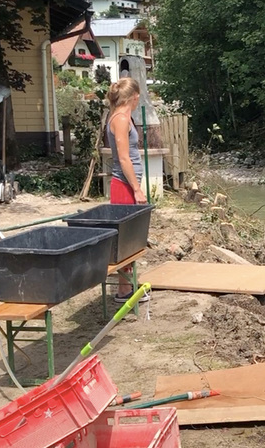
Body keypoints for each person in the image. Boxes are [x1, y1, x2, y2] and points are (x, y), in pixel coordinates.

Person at [106, 77, 148, 303]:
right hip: (123, 186)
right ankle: (123, 291)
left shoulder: (122, 116)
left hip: (126, 185)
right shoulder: (121, 118)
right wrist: (137, 189)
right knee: (125, 239)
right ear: (134, 97)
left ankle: (127, 286)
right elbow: (123, 158)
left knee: (130, 237)